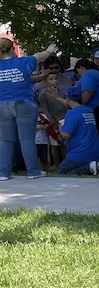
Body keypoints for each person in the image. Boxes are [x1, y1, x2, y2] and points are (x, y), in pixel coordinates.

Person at [0, 37, 56, 180]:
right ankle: (33, 171)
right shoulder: (23, 62)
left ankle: (3, 173)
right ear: (12, 49)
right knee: (26, 139)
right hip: (23, 103)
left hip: (2, 105)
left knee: (5, 140)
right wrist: (49, 50)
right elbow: (39, 56)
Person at [53, 95, 99, 176]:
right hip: (96, 152)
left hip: (79, 153)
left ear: (68, 99)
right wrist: (56, 97)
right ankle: (97, 166)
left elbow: (66, 134)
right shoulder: (89, 110)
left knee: (63, 172)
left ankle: (90, 167)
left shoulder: (72, 113)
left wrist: (60, 127)